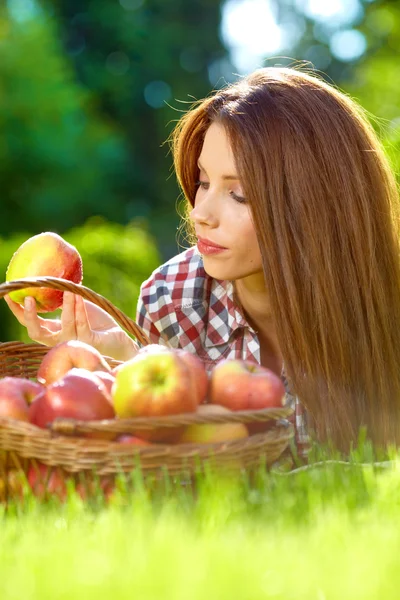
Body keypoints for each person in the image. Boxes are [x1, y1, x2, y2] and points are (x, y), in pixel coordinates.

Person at [5, 66, 400, 456]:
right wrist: (125, 358)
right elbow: (178, 475)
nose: (200, 213)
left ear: (315, 203)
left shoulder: (384, 306)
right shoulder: (171, 301)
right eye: (203, 183)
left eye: (239, 194)